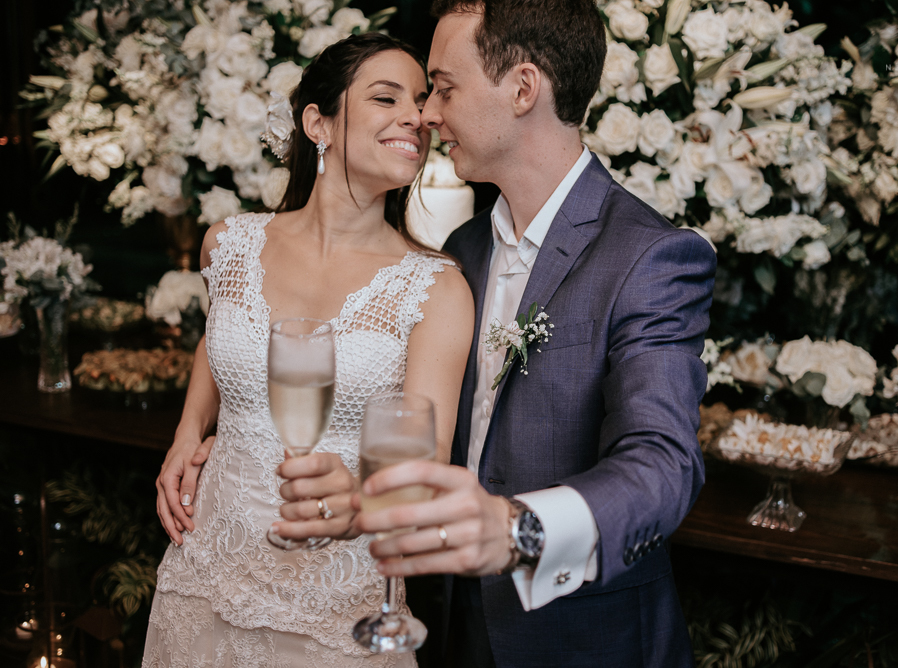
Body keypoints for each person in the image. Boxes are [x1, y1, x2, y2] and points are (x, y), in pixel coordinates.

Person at [341, 1, 716, 666]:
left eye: (444, 88)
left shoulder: (649, 257)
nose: (428, 115)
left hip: (579, 641)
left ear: (522, 89)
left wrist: (520, 530)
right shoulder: (459, 252)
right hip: (446, 629)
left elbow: (663, 465)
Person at [143, 33, 474, 668]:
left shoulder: (435, 289)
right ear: (317, 123)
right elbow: (222, 339)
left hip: (338, 606)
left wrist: (358, 501)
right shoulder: (228, 245)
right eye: (387, 98)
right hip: (204, 574)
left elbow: (427, 466)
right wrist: (187, 432)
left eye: (421, 101)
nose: (417, 117)